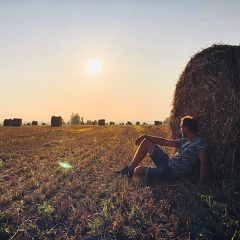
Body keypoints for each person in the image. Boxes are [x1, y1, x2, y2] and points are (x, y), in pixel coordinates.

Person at [115, 116, 209, 188]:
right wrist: (145, 136)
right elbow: (163, 141)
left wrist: (201, 184)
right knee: (146, 142)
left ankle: (137, 170)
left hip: (170, 172)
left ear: (186, 128)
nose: (180, 129)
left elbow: (204, 163)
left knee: (138, 171)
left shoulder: (199, 142)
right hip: (167, 162)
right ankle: (129, 169)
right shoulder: (184, 141)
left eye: (181, 126)